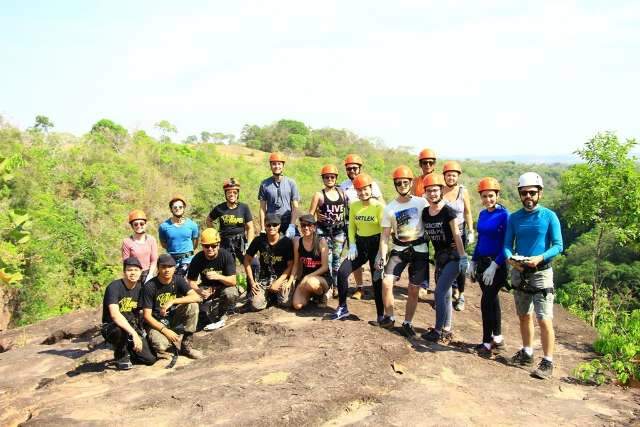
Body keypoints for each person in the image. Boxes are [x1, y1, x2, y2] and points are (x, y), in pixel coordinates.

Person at [505, 172, 563, 379]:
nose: (528, 196)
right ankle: (527, 351)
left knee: (544, 318)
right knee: (523, 315)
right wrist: (511, 259)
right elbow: (506, 245)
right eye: (524, 193)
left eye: (532, 192)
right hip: (520, 271)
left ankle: (548, 361)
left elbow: (558, 245)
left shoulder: (549, 216)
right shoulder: (514, 218)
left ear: (539, 193)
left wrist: (540, 258)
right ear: (520, 194)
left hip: (541, 272)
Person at [378, 166, 429, 335]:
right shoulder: (390, 208)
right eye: (399, 183)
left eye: (405, 182)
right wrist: (382, 255)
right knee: (386, 282)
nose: (402, 186)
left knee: (414, 288)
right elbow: (385, 236)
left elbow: (434, 219)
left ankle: (407, 323)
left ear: (411, 183)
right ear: (395, 185)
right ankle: (390, 317)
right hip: (399, 249)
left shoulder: (421, 203)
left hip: (419, 249)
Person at [421, 174, 468, 344]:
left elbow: (457, 234)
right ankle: (447, 329)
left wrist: (463, 257)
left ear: (441, 190)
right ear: (425, 193)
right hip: (440, 257)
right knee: (446, 294)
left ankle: (437, 330)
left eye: (435, 190)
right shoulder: (426, 213)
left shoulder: (449, 211)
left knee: (440, 292)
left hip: (454, 257)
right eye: (429, 191)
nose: (432, 193)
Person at [332, 174, 384, 321]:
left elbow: (384, 232)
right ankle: (342, 308)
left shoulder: (379, 207)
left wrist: (381, 253)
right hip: (360, 246)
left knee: (377, 281)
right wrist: (352, 244)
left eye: (365, 189)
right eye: (359, 190)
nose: (362, 193)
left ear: (371, 189)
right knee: (342, 272)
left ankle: (381, 315)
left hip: (376, 245)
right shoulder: (354, 206)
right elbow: (352, 227)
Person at [468, 177, 510, 356]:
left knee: (486, 301)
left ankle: (486, 342)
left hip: (498, 264)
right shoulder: (483, 214)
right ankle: (498, 339)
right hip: (483, 262)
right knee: (492, 300)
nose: (488, 200)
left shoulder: (505, 216)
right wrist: (473, 261)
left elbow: (507, 244)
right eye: (484, 196)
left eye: (491, 196)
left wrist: (496, 264)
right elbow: (481, 240)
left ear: (497, 195)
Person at [339, 154, 385, 300]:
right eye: (349, 168)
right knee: (354, 258)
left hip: (371, 225)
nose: (352, 170)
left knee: (374, 261)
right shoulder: (343, 185)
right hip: (352, 224)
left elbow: (381, 203)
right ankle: (359, 287)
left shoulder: (369, 184)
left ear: (360, 168)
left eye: (354, 168)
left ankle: (379, 291)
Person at [142, 254, 204, 359]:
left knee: (193, 305)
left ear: (174, 268)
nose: (167, 270)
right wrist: (165, 331)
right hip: (156, 323)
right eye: (163, 267)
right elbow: (147, 316)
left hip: (173, 317)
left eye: (170, 266)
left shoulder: (178, 280)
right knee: (161, 345)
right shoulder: (150, 286)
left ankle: (186, 346)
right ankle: (153, 341)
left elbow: (196, 297)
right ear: (158, 268)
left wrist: (173, 301)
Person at [101, 257, 156, 369]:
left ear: (141, 272)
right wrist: (134, 334)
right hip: (113, 327)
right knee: (119, 330)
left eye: (136, 270)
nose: (133, 273)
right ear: (124, 272)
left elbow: (144, 311)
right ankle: (121, 355)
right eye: (129, 270)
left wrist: (140, 332)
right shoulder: (114, 287)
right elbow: (115, 315)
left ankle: (130, 349)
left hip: (132, 326)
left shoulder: (142, 288)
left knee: (150, 359)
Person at [187, 228, 238, 331]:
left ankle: (223, 314)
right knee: (190, 297)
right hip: (206, 288)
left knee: (231, 292)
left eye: (213, 246)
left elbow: (233, 281)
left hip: (223, 286)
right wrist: (199, 290)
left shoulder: (226, 256)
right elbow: (190, 281)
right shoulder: (198, 258)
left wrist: (218, 276)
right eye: (206, 246)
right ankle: (198, 319)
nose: (210, 248)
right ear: (202, 246)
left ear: (218, 245)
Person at [309, 165, 347, 296]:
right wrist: (316, 217)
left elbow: (347, 211)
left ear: (336, 178)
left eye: (332, 177)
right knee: (327, 260)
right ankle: (329, 287)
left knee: (337, 260)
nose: (329, 179)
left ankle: (336, 286)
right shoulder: (319, 195)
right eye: (327, 177)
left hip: (339, 231)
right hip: (323, 231)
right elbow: (310, 215)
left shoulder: (342, 192)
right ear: (323, 179)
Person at [441, 161, 474, 311]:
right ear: (444, 176)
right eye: (448, 175)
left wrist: (472, 230)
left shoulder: (462, 191)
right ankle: (446, 293)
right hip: (444, 233)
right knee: (444, 263)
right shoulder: (439, 190)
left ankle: (461, 294)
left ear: (458, 176)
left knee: (460, 263)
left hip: (460, 231)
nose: (451, 178)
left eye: (454, 175)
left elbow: (467, 212)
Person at [244, 213, 294, 311]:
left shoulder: (286, 241)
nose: (271, 227)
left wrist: (279, 282)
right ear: (265, 226)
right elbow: (246, 259)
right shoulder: (259, 240)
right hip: (264, 279)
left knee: (286, 303)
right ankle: (269, 297)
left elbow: (290, 265)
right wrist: (252, 282)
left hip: (282, 278)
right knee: (256, 305)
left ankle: (275, 296)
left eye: (275, 225)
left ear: (279, 226)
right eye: (268, 225)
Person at [206, 178, 255, 264]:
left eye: (234, 192)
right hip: (225, 243)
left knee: (254, 264)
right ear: (225, 194)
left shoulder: (244, 207)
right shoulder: (219, 208)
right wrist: (215, 235)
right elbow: (208, 220)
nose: (232, 195)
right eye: (229, 192)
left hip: (241, 242)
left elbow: (250, 228)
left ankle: (250, 277)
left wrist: (249, 245)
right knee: (228, 268)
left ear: (238, 194)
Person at [290, 214, 332, 310]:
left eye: (309, 225)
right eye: (303, 225)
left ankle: (323, 295)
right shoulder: (298, 243)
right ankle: (311, 295)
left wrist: (308, 276)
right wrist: (291, 280)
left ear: (314, 227)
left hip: (322, 278)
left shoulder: (321, 242)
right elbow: (296, 264)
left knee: (311, 282)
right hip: (305, 278)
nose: (306, 228)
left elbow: (325, 267)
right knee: (297, 305)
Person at [412, 148, 437, 295]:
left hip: (437, 220)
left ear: (434, 164)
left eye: (430, 162)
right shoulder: (416, 182)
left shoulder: (439, 180)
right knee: (422, 252)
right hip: (422, 220)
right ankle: (423, 284)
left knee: (441, 253)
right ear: (420, 164)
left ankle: (446, 286)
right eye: (424, 163)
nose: (427, 165)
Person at [258, 152, 300, 239]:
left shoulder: (291, 183)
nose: (277, 166)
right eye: (274, 164)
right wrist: (262, 228)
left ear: (283, 165)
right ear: (270, 166)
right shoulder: (264, 184)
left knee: (297, 241)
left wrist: (292, 225)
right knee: (268, 247)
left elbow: (295, 207)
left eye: (279, 164)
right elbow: (262, 208)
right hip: (271, 221)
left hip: (287, 220)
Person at [158, 195, 199, 276]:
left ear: (184, 208)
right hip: (171, 260)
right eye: (175, 207)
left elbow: (195, 243)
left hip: (188, 260)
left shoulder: (192, 225)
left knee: (185, 284)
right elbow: (163, 244)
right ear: (171, 209)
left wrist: (186, 252)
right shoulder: (164, 226)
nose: (178, 209)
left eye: (180, 207)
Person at [121, 210, 158, 283]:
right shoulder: (127, 242)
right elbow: (126, 262)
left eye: (141, 224)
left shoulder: (151, 240)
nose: (139, 226)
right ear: (132, 226)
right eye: (136, 224)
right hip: (134, 273)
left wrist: (150, 275)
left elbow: (154, 260)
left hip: (148, 273)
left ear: (145, 225)